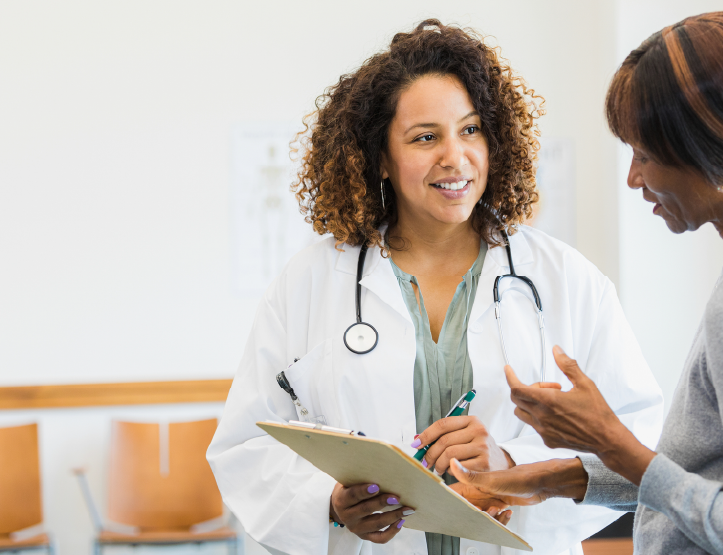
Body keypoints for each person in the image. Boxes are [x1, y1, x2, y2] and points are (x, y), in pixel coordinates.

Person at [206, 19, 663, 555]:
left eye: (470, 130)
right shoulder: (309, 281)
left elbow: (642, 447)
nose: (454, 156)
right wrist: (328, 500)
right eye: (425, 137)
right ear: (380, 157)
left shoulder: (566, 279)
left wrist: (513, 464)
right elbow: (245, 444)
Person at [447, 11, 723, 555]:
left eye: (645, 155)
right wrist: (547, 478)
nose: (634, 178)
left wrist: (610, 440)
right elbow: (715, 484)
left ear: (712, 149)